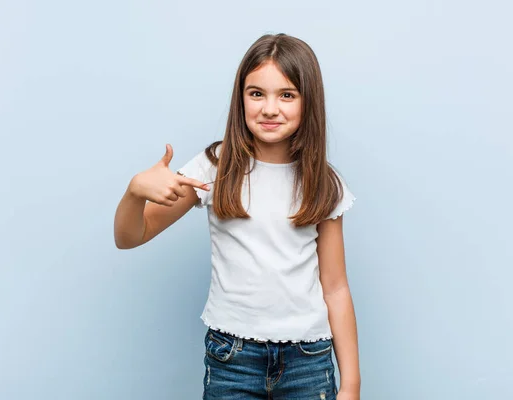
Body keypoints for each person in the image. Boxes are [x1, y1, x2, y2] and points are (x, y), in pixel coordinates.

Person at [114, 33, 360, 399]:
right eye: (256, 93)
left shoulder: (324, 182)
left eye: (287, 95)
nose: (269, 108)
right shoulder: (215, 167)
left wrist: (351, 384)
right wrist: (134, 193)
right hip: (232, 359)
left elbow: (336, 286)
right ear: (240, 98)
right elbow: (130, 237)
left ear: (309, 102)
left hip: (308, 359)